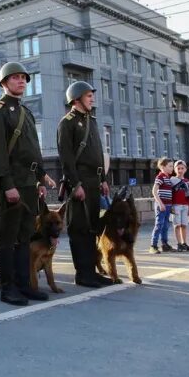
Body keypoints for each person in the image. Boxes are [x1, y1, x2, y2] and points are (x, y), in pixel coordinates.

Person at [0, 62, 56, 305]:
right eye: (15, 78)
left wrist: (39, 179)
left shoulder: (25, 111)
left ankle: (25, 285)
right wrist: (7, 184)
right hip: (12, 184)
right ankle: (8, 288)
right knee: (7, 239)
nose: (21, 81)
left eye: (23, 78)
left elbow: (32, 150)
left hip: (28, 184)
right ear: (4, 83)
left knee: (25, 237)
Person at [56, 81, 113, 288]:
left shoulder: (91, 120)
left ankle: (92, 271)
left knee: (91, 229)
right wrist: (76, 184)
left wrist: (103, 180)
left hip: (94, 181)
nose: (92, 98)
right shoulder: (67, 122)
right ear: (76, 98)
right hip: (79, 181)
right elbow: (67, 158)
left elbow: (98, 152)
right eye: (88, 95)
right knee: (79, 229)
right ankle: (82, 274)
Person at [149, 158, 176, 254]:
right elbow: (154, 191)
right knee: (159, 224)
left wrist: (171, 205)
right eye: (170, 166)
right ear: (163, 167)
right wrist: (160, 203)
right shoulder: (160, 177)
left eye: (172, 166)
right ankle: (153, 245)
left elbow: (169, 193)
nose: (172, 168)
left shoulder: (168, 178)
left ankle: (165, 244)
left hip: (168, 205)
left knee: (165, 225)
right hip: (161, 205)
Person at [172, 160, 189, 252]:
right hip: (176, 205)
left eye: (182, 168)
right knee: (177, 225)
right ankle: (179, 243)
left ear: (185, 169)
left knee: (184, 225)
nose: (180, 170)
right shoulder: (172, 180)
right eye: (178, 168)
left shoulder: (187, 181)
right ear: (175, 169)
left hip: (185, 206)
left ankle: (184, 243)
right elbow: (170, 194)